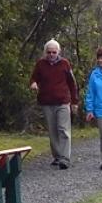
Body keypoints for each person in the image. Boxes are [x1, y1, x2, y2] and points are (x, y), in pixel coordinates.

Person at [29, 39, 79, 167]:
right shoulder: (41, 64)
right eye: (49, 52)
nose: (51, 55)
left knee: (63, 129)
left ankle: (65, 158)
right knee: (52, 131)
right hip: (46, 102)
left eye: (54, 52)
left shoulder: (65, 64)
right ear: (45, 52)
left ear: (58, 52)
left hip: (62, 101)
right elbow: (34, 77)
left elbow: (72, 84)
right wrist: (33, 83)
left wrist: (74, 101)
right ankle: (57, 156)